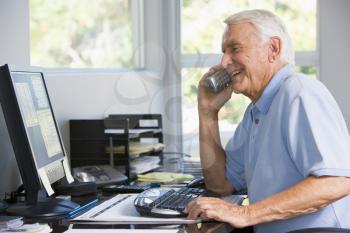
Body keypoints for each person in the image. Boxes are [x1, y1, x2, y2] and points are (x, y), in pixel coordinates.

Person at [184, 9, 350, 233]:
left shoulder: (300, 93)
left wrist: (246, 213)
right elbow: (220, 185)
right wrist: (207, 113)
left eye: (235, 49)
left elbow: (337, 181)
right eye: (223, 52)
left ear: (273, 49)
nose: (224, 62)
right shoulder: (256, 111)